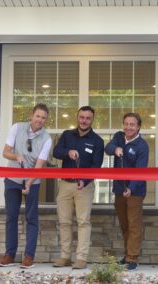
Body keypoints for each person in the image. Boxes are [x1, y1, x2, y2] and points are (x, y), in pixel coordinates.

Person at [0, 103, 52, 269]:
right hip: (12, 179)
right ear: (32, 115)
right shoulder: (17, 128)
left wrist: (28, 183)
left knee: (32, 219)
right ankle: (10, 254)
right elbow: (5, 152)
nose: (40, 120)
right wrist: (16, 155)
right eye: (38, 116)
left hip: (32, 182)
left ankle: (29, 257)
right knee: (11, 217)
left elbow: (39, 165)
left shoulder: (47, 139)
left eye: (43, 118)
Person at [52, 106, 104, 269]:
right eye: (82, 117)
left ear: (92, 119)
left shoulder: (97, 141)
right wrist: (68, 152)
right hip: (65, 184)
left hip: (84, 187)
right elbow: (56, 152)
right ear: (77, 117)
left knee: (83, 222)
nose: (84, 120)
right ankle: (65, 256)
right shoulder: (67, 135)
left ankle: (81, 258)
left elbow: (96, 166)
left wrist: (84, 180)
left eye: (88, 118)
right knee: (64, 222)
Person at [105, 112, 149, 271]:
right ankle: (127, 254)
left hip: (135, 191)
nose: (128, 127)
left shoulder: (142, 146)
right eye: (126, 124)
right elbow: (107, 148)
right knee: (124, 224)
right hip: (118, 189)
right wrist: (115, 148)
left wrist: (131, 188)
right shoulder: (118, 137)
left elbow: (140, 171)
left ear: (138, 127)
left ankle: (133, 258)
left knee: (134, 224)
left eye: (132, 124)